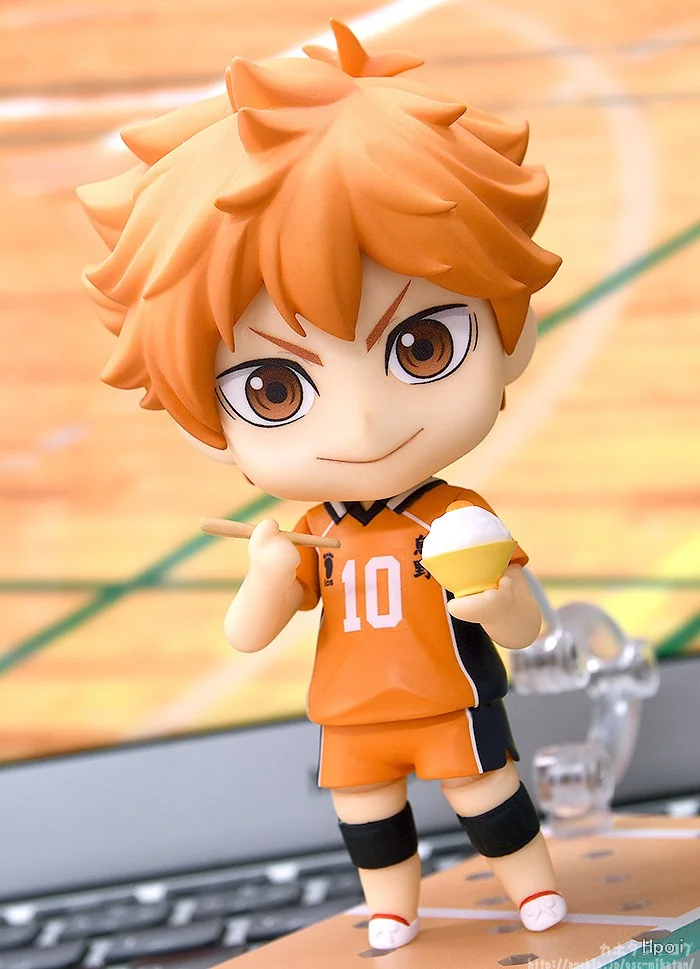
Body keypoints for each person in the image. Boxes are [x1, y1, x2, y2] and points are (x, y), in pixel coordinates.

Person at [78, 19, 567, 951]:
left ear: (514, 333)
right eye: (274, 388)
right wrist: (269, 573)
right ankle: (391, 905)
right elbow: (247, 632)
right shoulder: (313, 529)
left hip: (450, 700)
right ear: (199, 419)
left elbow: (523, 626)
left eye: (421, 345)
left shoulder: (457, 514)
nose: (363, 426)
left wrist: (493, 600)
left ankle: (533, 887)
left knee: (486, 791)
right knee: (366, 810)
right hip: (349, 713)